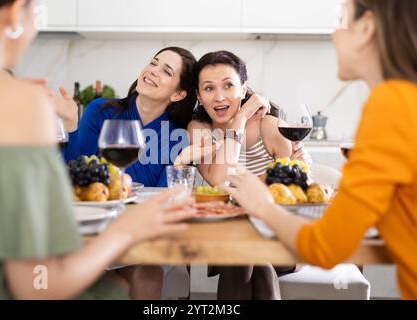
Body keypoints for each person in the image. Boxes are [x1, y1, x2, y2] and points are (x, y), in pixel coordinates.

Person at [0, 0, 195, 299]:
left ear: (178, 92)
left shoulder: (177, 132)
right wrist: (126, 231)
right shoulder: (20, 104)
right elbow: (38, 284)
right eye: (37, 13)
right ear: (14, 12)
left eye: (165, 71)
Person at [220, 0, 417, 300]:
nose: (334, 34)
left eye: (341, 21)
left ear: (366, 29)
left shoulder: (392, 106)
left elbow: (325, 247)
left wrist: (262, 206)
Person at [176, 50, 311, 299]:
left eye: (228, 85)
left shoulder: (269, 126)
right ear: (198, 95)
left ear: (244, 88)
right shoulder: (199, 129)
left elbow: (290, 189)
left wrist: (297, 168)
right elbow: (220, 181)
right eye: (209, 88)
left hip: (279, 233)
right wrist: (240, 118)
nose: (219, 97)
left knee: (245, 256)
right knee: (245, 253)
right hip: (228, 233)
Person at [61, 47, 197, 188]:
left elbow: (166, 198)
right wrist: (70, 122)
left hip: (147, 210)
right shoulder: (100, 111)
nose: (153, 70)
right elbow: (75, 179)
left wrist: (180, 162)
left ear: (178, 94)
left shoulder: (177, 138)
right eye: (153, 63)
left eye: (167, 71)